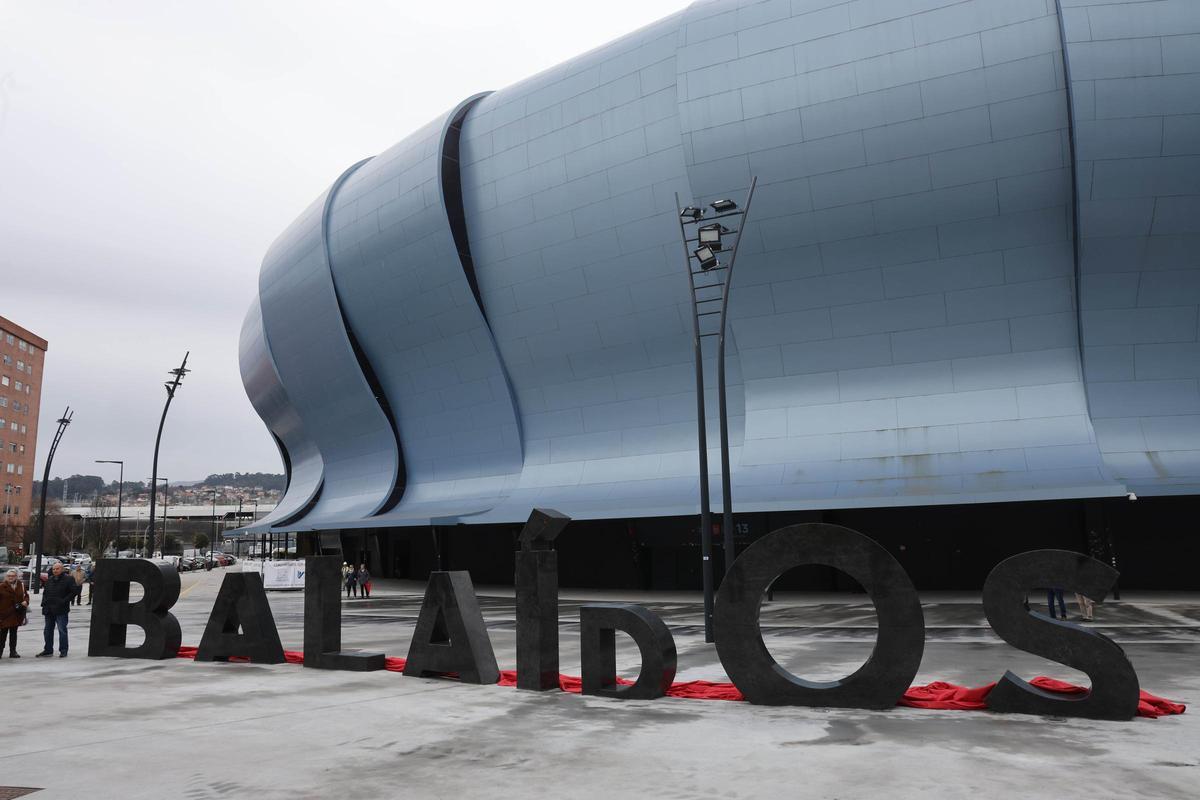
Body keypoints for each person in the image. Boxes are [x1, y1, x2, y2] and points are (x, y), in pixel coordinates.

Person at [38, 562, 75, 657]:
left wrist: (63, 601)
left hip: (61, 609)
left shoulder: (69, 579)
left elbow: (73, 592)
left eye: (57, 569)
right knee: (47, 631)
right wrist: (44, 603)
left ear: (62, 569)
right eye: (54, 569)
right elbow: (45, 593)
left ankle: (63, 650)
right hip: (49, 609)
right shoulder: (49, 579)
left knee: (62, 630)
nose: (55, 570)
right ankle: (48, 649)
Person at [0, 568, 30, 658]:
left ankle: (13, 652)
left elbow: (26, 596)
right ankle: (0, 651)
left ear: (16, 577)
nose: (10, 577)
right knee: (2, 635)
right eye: (9, 576)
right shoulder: (1, 586)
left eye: (12, 576)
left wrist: (26, 601)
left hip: (16, 613)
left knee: (14, 634)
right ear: (6, 577)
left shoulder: (21, 585)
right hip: (5, 614)